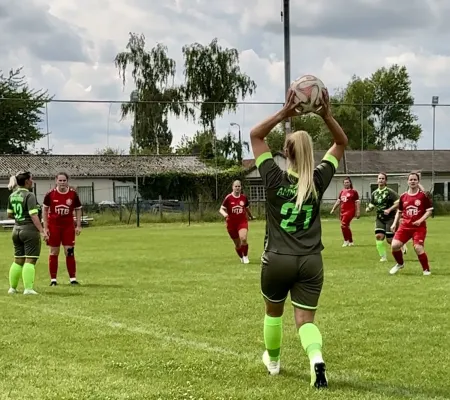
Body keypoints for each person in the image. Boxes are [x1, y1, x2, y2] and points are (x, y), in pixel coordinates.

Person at [250, 87, 347, 388]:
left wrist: (283, 113)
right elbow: (341, 143)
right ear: (310, 153)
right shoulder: (318, 180)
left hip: (277, 259)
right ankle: (315, 358)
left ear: (286, 153)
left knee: (273, 313)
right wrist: (326, 115)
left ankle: (275, 363)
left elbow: (255, 135)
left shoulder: (273, 177)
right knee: (306, 322)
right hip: (310, 262)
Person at [6, 171, 48, 295]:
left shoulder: (12, 195)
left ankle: (12, 288)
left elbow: (9, 214)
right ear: (26, 181)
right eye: (31, 179)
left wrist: (20, 217)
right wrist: (42, 231)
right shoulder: (29, 195)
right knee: (30, 260)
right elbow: (33, 215)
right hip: (29, 230)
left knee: (17, 259)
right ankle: (28, 289)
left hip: (16, 230)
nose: (33, 181)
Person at [389, 172, 433, 276]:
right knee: (395, 245)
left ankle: (426, 270)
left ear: (418, 182)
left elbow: (429, 211)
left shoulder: (423, 196)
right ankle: (400, 264)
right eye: (411, 180)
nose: (412, 181)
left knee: (418, 247)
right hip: (405, 226)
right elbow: (399, 212)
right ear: (407, 181)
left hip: (418, 228)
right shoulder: (403, 196)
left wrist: (420, 220)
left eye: (415, 180)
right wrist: (394, 224)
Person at [42, 172, 82, 285]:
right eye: (60, 180)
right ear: (56, 181)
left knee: (69, 251)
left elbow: (78, 209)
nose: (62, 183)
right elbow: (45, 210)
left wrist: (78, 225)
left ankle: (73, 279)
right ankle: (53, 280)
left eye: (64, 180)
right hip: (54, 226)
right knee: (54, 252)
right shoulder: (50, 194)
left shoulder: (73, 194)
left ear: (67, 181)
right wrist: (46, 228)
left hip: (68, 226)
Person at [365, 173, 401, 261]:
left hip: (390, 218)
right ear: (377, 180)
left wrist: (389, 209)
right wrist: (369, 208)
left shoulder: (390, 192)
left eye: (383, 178)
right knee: (378, 236)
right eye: (379, 178)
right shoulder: (374, 193)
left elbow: (398, 202)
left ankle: (400, 245)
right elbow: (372, 203)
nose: (381, 180)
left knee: (389, 240)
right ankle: (383, 256)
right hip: (379, 218)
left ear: (385, 181)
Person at [219, 180, 254, 264]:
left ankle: (245, 256)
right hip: (231, 223)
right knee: (237, 244)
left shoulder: (244, 198)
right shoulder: (228, 198)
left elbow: (247, 208)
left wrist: (250, 216)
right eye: (236, 186)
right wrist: (226, 215)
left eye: (239, 186)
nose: (237, 188)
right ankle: (241, 257)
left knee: (243, 238)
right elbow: (221, 209)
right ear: (233, 187)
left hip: (242, 221)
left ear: (241, 187)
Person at [330, 177, 360, 246]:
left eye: (347, 182)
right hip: (343, 211)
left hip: (350, 211)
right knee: (346, 226)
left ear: (350, 183)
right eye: (345, 182)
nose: (346, 184)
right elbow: (338, 201)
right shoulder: (342, 192)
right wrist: (333, 209)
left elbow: (357, 202)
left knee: (343, 225)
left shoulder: (354, 192)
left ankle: (346, 240)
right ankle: (351, 241)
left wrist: (358, 211)